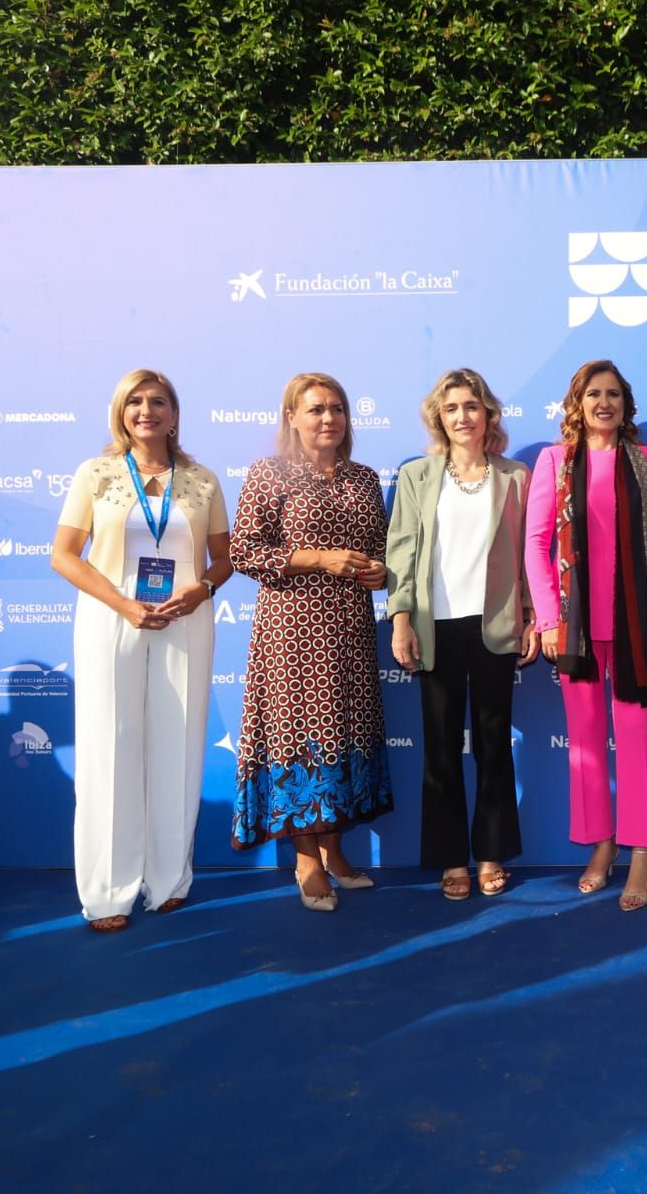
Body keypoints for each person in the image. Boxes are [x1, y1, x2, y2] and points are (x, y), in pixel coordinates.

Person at [52, 369, 232, 932]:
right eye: (135, 401)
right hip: (111, 621)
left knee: (178, 748)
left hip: (185, 621)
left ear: (175, 414)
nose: (146, 410)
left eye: (158, 401)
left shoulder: (202, 480)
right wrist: (123, 604)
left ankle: (168, 879)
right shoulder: (97, 474)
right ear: (120, 411)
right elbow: (64, 555)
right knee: (110, 749)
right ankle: (108, 890)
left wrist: (199, 589)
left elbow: (224, 560)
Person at [229, 372, 393, 911]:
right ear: (292, 417)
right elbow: (245, 552)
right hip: (293, 632)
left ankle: (335, 851)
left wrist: (377, 574)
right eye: (316, 409)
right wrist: (319, 558)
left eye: (337, 409)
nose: (328, 418)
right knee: (303, 736)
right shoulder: (269, 474)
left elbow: (380, 552)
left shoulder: (364, 479)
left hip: (349, 628)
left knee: (344, 733)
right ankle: (305, 860)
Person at [525, 360, 647, 912]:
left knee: (636, 738)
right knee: (586, 742)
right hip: (574, 627)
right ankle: (600, 845)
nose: (604, 402)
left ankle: (642, 850)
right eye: (594, 393)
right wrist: (547, 619)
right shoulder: (553, 462)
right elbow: (537, 542)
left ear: (625, 404)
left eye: (614, 393)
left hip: (635, 624)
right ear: (578, 402)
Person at [387, 368, 538, 901]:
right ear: (439, 417)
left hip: (495, 626)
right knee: (441, 748)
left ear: (488, 414)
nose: (461, 417)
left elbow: (527, 557)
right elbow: (401, 552)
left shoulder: (517, 477)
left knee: (495, 744)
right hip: (436, 627)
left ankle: (492, 852)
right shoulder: (417, 477)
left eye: (471, 406)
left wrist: (531, 614)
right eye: (451, 409)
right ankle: (452, 859)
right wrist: (401, 617)